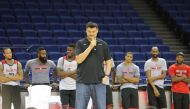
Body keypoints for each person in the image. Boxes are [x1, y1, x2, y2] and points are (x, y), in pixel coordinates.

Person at [75, 22, 112, 109]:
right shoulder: (80, 43)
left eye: (93, 31)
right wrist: (90, 46)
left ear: (97, 31)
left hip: (99, 82)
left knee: (101, 107)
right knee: (80, 107)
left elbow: (108, 61)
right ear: (86, 31)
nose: (91, 33)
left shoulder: (103, 44)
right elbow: (79, 60)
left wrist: (106, 75)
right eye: (89, 31)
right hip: (82, 82)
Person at [57, 43, 77, 109]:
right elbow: (60, 74)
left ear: (75, 51)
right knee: (64, 107)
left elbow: (78, 77)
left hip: (75, 87)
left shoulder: (79, 60)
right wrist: (74, 72)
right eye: (67, 50)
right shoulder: (61, 59)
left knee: (73, 107)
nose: (68, 51)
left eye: (70, 50)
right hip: (63, 87)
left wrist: (65, 74)